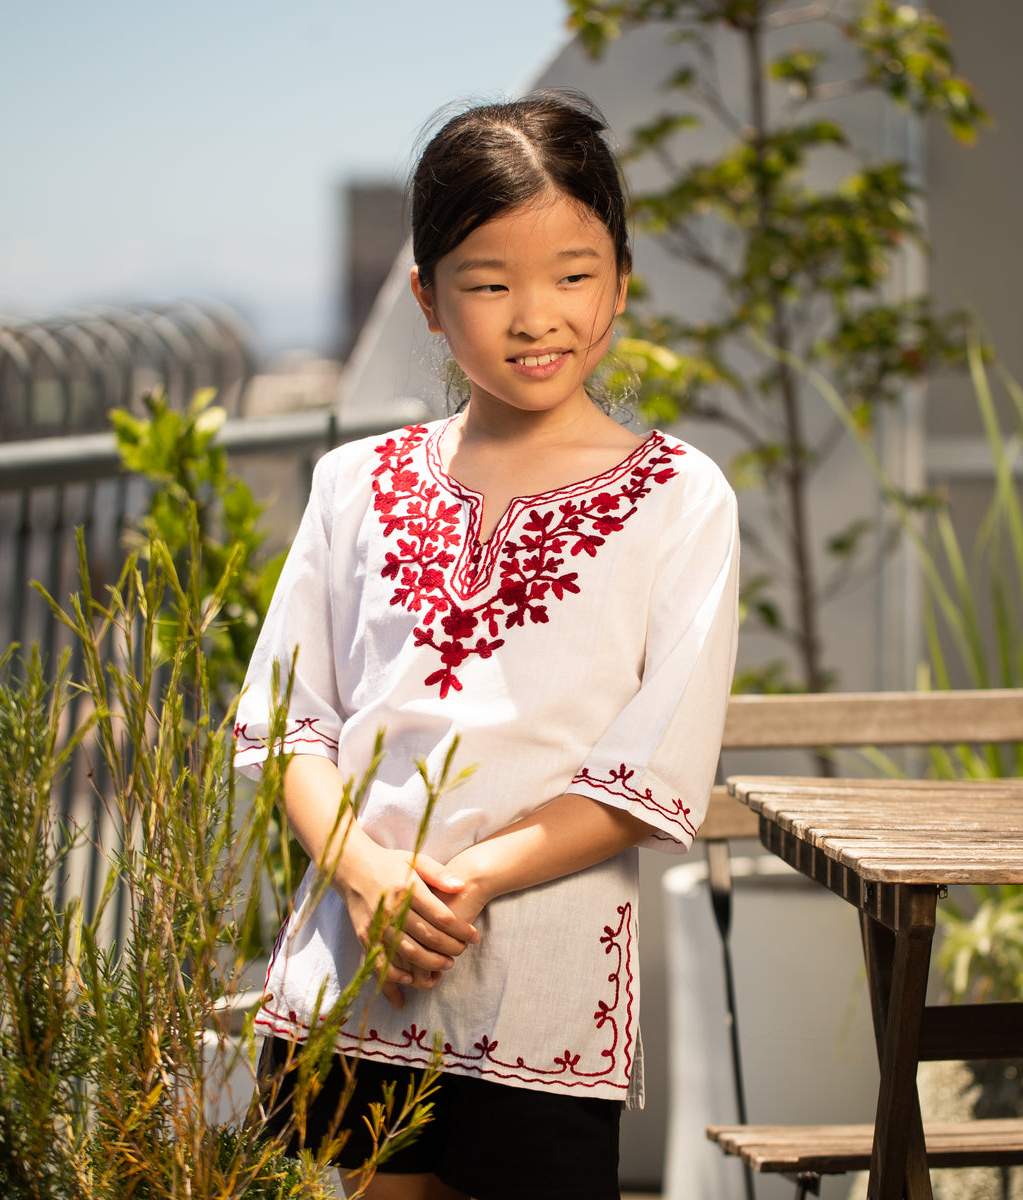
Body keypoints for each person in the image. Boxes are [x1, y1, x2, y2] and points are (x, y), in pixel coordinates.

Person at [234, 91, 739, 1200]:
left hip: (544, 996)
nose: (536, 315)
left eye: (572, 274)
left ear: (620, 283)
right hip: (351, 973)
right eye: (490, 281)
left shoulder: (680, 499)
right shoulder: (351, 486)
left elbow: (650, 771)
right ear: (426, 296)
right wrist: (365, 879)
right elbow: (290, 727)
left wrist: (454, 884)